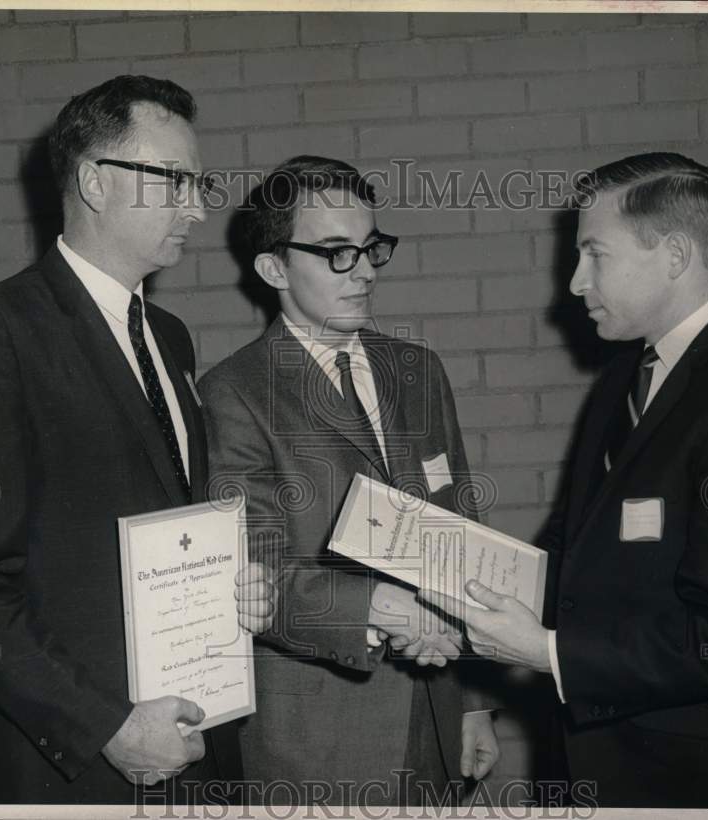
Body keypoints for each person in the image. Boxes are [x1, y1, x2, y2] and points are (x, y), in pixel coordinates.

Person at [421, 152, 708, 808]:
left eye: (595, 254)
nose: (576, 282)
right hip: (595, 763)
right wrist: (457, 601)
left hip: (693, 782)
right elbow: (580, 548)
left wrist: (549, 651)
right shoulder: (625, 376)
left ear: (673, 254)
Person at [0, 75, 274, 804]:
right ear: (94, 181)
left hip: (199, 755)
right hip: (77, 774)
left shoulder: (169, 338)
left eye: (196, 185)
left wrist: (233, 593)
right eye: (173, 181)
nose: (196, 209)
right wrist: (107, 726)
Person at [198, 156, 499, 806]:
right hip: (319, 743)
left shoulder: (419, 371)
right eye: (337, 253)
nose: (364, 271)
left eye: (370, 248)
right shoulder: (234, 394)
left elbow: (463, 535)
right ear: (273, 268)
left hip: (439, 719)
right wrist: (388, 612)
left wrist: (474, 702)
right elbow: (259, 576)